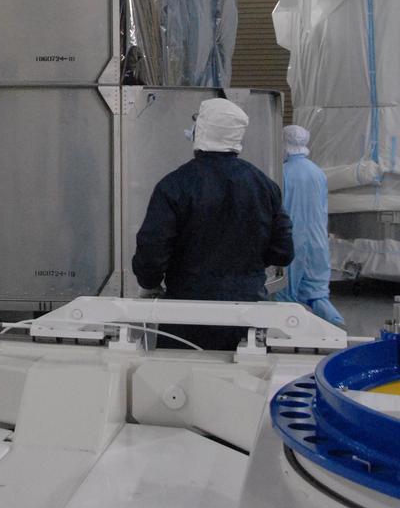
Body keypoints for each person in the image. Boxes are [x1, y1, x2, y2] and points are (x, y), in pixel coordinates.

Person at [132, 97, 294, 350]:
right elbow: (283, 251)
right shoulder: (264, 186)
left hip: (185, 315)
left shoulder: (174, 185)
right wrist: (244, 273)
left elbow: (152, 247)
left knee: (176, 382)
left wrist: (149, 284)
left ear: (202, 132)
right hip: (246, 312)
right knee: (246, 382)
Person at [276, 124, 344, 326]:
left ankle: (288, 331)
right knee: (316, 291)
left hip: (291, 238)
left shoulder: (282, 173)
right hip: (316, 239)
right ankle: (334, 322)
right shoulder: (318, 173)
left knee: (285, 292)